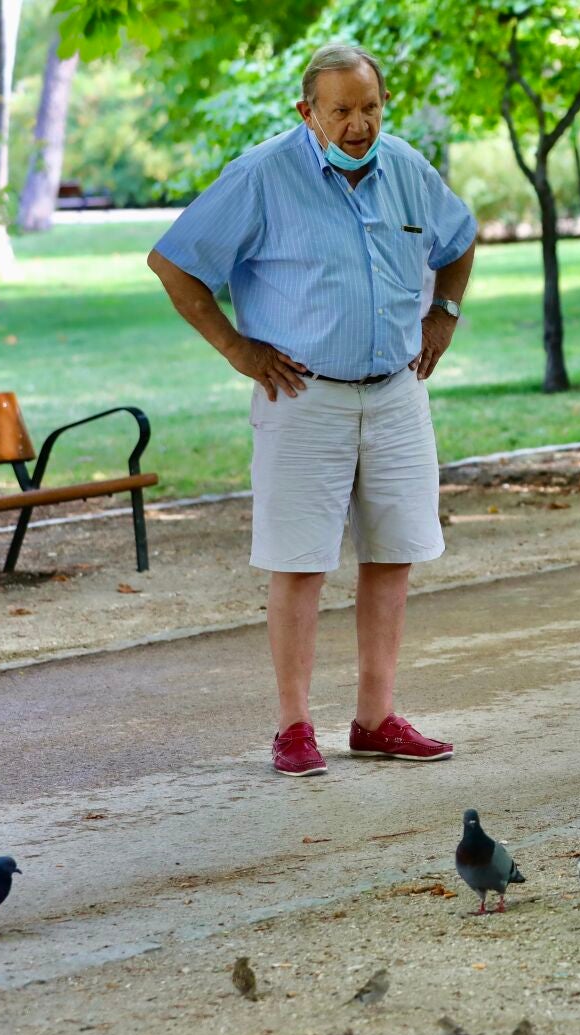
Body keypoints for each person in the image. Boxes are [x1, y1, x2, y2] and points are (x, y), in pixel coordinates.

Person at [146, 43, 478, 777]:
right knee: (299, 562)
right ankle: (294, 726)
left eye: (370, 107)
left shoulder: (407, 170)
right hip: (304, 397)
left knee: (393, 556)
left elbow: (459, 240)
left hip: (396, 393)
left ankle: (375, 718)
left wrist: (443, 314)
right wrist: (238, 349)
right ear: (307, 112)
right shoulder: (263, 175)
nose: (359, 125)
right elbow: (173, 261)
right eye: (342, 111)